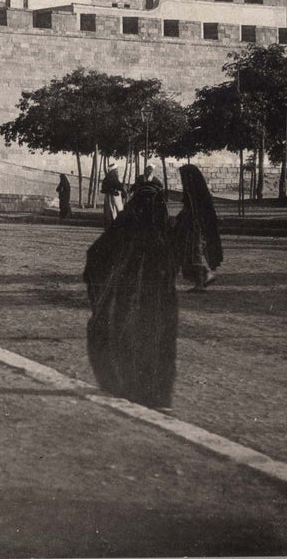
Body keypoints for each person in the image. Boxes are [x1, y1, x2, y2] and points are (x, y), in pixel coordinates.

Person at [83, 176, 181, 409]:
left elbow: (97, 256)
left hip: (130, 295)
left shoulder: (128, 222)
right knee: (157, 341)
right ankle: (157, 396)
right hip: (159, 297)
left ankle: (127, 387)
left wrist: (99, 291)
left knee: (125, 335)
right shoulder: (164, 228)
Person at [176, 164, 223, 290]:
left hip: (194, 229)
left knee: (193, 253)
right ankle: (202, 279)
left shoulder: (194, 195)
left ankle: (202, 280)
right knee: (188, 254)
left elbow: (195, 212)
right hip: (189, 227)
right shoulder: (193, 194)